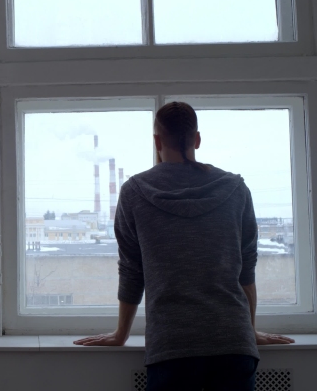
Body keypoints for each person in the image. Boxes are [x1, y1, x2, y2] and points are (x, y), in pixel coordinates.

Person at [73, 102, 294, 391]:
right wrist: (249, 330)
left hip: (171, 348)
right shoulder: (235, 189)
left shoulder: (134, 193)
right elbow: (246, 270)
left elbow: (131, 271)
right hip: (233, 345)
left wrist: (120, 334)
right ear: (197, 139)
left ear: (156, 142)